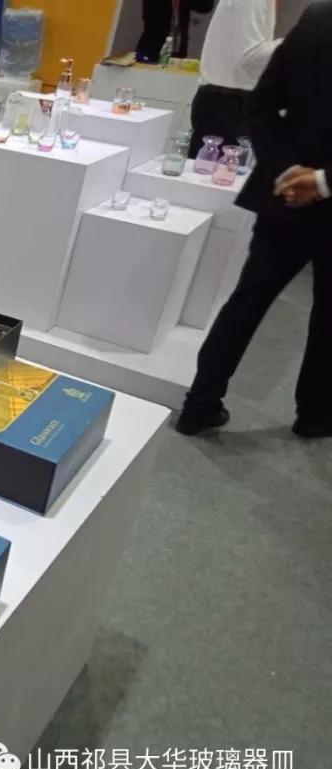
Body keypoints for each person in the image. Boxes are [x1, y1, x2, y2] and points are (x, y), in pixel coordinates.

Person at [176, 0, 332, 439]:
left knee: (247, 300)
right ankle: (315, 415)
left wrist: (287, 171)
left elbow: (260, 106)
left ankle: (200, 404)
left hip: (284, 196)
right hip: (302, 194)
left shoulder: (317, 17)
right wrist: (321, 181)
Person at [187, 0, 279, 158]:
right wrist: (298, 41)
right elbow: (249, 56)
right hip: (226, 105)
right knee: (210, 173)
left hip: (229, 102)